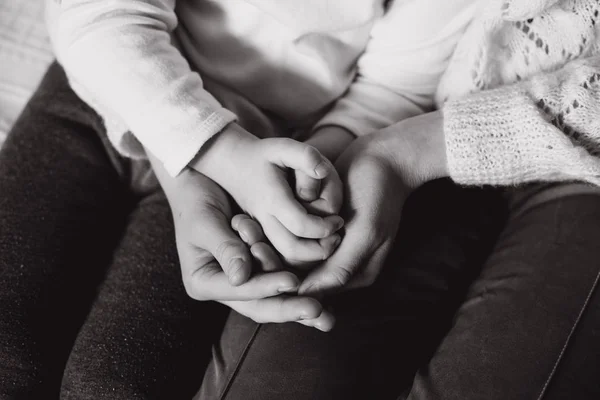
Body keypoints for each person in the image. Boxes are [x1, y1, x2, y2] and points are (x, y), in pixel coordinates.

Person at [1, 0, 599, 399]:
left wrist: (315, 172)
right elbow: (97, 15)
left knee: (115, 383)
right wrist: (207, 150)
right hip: (113, 86)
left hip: (268, 148)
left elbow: (394, 83)